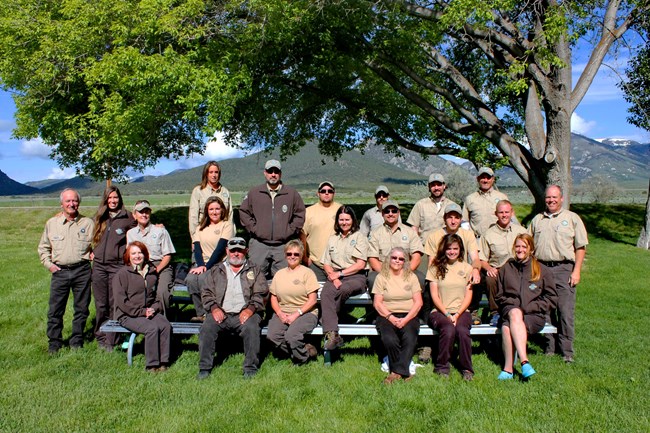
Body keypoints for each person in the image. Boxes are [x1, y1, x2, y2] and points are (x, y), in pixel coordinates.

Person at [528, 185, 588, 363]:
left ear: (561, 198)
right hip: (541, 268)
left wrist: (576, 271)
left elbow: (580, 247)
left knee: (565, 311)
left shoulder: (572, 219)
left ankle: (567, 350)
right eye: (548, 198)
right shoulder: (537, 220)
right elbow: (527, 244)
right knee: (545, 310)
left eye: (555, 197)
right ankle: (549, 346)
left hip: (564, 269)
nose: (551, 200)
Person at [197, 237, 269, 379]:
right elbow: (206, 293)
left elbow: (261, 294)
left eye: (240, 251)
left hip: (246, 312)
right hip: (221, 312)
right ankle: (204, 368)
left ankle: (250, 368)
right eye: (233, 250)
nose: (236, 254)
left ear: (246, 251)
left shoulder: (255, 270)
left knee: (251, 328)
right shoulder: (216, 270)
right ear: (227, 251)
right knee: (207, 328)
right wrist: (214, 308)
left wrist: (250, 309)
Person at [38, 188, 94, 354]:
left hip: (82, 271)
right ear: (61, 203)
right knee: (55, 310)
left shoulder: (88, 223)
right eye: (68, 201)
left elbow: (97, 245)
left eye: (75, 201)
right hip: (60, 272)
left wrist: (94, 254)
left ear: (79, 203)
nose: (72, 204)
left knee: (82, 309)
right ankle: (54, 343)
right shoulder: (52, 224)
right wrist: (50, 265)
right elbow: (43, 247)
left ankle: (77, 340)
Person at [495, 234, 557, 380]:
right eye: (517, 246)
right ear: (513, 248)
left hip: (533, 315)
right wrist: (511, 305)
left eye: (524, 246)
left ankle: (508, 369)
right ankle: (525, 361)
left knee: (506, 327)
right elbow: (499, 295)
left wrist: (531, 307)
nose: (520, 249)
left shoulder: (541, 270)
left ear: (531, 249)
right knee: (515, 313)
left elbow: (552, 298)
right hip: (510, 310)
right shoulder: (506, 268)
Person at [239, 159, 306, 278]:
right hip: (259, 244)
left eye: (276, 171)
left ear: (280, 173)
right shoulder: (255, 192)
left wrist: (289, 231)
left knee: (285, 279)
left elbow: (300, 214)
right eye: (270, 171)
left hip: (283, 245)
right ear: (265, 173)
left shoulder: (291, 194)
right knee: (255, 278)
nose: (273, 174)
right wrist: (255, 229)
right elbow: (244, 212)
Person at [113, 242, 171, 372]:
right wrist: (142, 312)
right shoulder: (122, 274)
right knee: (151, 328)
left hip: (148, 311)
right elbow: (122, 302)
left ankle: (163, 362)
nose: (137, 256)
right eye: (133, 253)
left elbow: (156, 297)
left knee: (165, 325)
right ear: (128, 256)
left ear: (145, 255)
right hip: (127, 314)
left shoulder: (151, 272)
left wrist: (154, 309)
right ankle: (151, 365)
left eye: (140, 253)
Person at [91, 186, 136, 351]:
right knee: (100, 304)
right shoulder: (99, 217)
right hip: (98, 267)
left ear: (120, 199)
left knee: (114, 303)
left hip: (116, 266)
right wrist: (91, 252)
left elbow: (141, 228)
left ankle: (113, 338)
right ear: (105, 199)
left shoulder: (128, 218)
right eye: (109, 198)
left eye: (115, 197)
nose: (112, 201)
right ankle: (101, 336)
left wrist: (157, 225)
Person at [320, 205, 369, 351]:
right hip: (334, 275)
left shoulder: (359, 237)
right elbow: (326, 263)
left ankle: (325, 321)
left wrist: (340, 275)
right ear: (337, 221)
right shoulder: (332, 239)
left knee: (342, 289)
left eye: (347, 219)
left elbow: (360, 264)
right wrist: (333, 277)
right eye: (341, 219)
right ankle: (332, 335)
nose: (344, 222)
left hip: (355, 276)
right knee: (326, 293)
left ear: (353, 221)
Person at [372, 247, 423, 384]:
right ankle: (405, 371)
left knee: (410, 338)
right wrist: (391, 318)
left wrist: (406, 319)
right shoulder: (381, 277)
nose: (397, 261)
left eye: (401, 259)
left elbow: (418, 302)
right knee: (389, 339)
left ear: (405, 261)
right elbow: (377, 303)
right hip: (386, 315)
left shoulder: (411, 277)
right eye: (394, 258)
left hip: (409, 314)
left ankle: (395, 373)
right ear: (389, 259)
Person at [427, 234, 475, 381]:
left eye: (455, 248)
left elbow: (468, 295)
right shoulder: (435, 268)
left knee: (461, 331)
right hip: (440, 311)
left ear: (460, 250)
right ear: (444, 249)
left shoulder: (467, 268)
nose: (452, 251)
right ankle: (442, 366)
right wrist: (448, 314)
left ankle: (466, 368)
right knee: (448, 329)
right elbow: (434, 296)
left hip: (461, 311)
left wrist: (458, 314)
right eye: (449, 248)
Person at [266, 240, 319, 365]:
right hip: (283, 311)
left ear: (301, 256)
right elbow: (273, 297)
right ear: (285, 255)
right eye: (289, 254)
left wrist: (296, 314)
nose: (292, 257)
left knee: (292, 336)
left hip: (306, 312)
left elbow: (313, 299)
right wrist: (279, 313)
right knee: (273, 336)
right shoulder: (279, 274)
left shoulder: (308, 273)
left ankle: (301, 359)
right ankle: (304, 350)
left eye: (296, 254)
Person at [186, 196, 235, 321]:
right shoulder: (200, 228)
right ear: (207, 211)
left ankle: (210, 311)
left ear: (222, 210)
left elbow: (220, 249)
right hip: (202, 263)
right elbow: (197, 248)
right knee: (191, 279)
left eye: (217, 209)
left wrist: (206, 267)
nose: (214, 212)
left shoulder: (226, 225)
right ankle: (200, 313)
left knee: (204, 278)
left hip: (219, 263)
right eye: (211, 209)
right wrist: (201, 265)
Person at [478, 200, 527, 326]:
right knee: (490, 279)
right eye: (501, 212)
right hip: (497, 270)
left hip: (518, 269)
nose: (504, 215)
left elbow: (529, 253)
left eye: (507, 212)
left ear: (512, 213)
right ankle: (495, 313)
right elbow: (482, 259)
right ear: (496, 214)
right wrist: (489, 268)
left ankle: (522, 311)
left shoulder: (521, 232)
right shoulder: (488, 234)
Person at [127, 200, 176, 313]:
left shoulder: (160, 231)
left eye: (147, 212)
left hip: (161, 265)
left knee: (163, 292)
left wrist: (157, 270)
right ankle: (140, 315)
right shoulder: (131, 233)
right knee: (139, 290)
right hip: (141, 266)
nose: (144, 215)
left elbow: (167, 256)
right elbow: (130, 255)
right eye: (140, 212)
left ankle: (162, 317)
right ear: (135, 215)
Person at [367, 200, 424, 291]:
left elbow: (416, 257)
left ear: (398, 213)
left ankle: (419, 305)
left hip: (406, 269)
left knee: (420, 278)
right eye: (387, 211)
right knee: (372, 280)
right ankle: (376, 305)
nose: (390, 214)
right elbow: (372, 259)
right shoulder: (374, 234)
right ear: (382, 214)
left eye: (394, 211)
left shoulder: (410, 232)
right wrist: (385, 274)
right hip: (382, 270)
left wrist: (405, 272)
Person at [300, 181, 342, 281]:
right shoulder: (309, 212)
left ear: (334, 193)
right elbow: (302, 236)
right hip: (316, 264)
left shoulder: (341, 209)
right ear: (318, 193)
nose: (326, 193)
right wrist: (305, 259)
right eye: (323, 191)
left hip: (338, 264)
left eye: (329, 191)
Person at [407, 173, 458, 245]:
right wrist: (416, 245)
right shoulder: (420, 204)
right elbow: (414, 228)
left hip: (446, 249)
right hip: (424, 248)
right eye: (433, 185)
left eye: (439, 184)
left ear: (444, 186)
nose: (436, 188)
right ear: (429, 187)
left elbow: (457, 227)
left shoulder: (452, 205)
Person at [188, 161, 233, 240]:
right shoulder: (198, 191)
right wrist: (194, 239)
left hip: (223, 235)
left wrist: (231, 235)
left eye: (216, 172)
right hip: (204, 234)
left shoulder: (225, 191)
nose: (214, 175)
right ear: (206, 174)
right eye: (211, 172)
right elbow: (193, 217)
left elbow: (230, 215)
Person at [461, 167, 510, 239]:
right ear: (478, 179)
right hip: (477, 240)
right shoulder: (470, 199)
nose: (485, 180)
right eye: (483, 178)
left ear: (493, 179)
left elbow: (510, 219)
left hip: (498, 239)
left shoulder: (502, 197)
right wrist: (469, 239)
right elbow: (464, 222)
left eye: (488, 178)